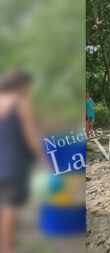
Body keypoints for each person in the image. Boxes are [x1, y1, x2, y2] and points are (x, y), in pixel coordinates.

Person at [0, 70, 44, 253]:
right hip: (13, 164)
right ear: (21, 85)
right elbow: (32, 136)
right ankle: (6, 247)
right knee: (10, 206)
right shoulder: (21, 103)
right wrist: (45, 160)